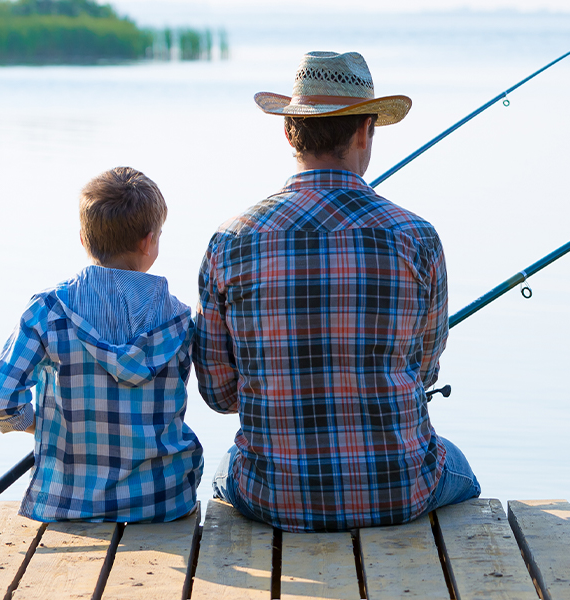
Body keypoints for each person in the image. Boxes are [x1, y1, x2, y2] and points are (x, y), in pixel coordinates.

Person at [195, 51, 479, 533]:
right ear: (365, 130)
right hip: (400, 491)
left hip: (272, 497)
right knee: (461, 469)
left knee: (227, 467)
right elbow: (425, 369)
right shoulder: (418, 237)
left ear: (288, 131)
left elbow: (220, 395)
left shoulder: (230, 241)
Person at [0, 167, 203, 523]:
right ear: (149, 242)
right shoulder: (179, 320)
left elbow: (1, 403)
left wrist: (46, 429)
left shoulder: (47, 312)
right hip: (164, 503)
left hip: (68, 506)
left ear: (84, 241)